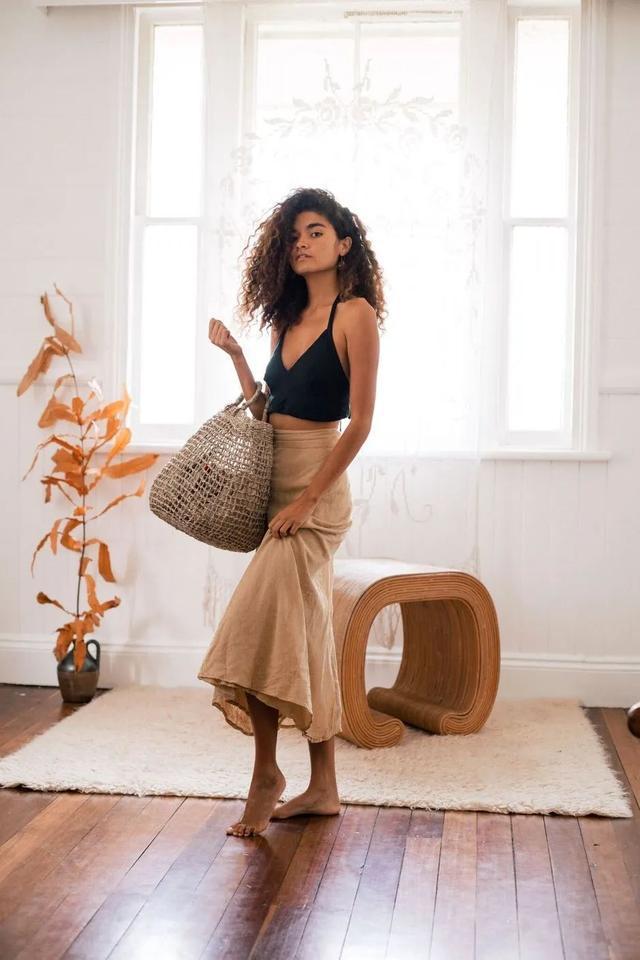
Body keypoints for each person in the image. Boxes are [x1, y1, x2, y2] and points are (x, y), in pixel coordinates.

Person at [198, 186, 385, 838]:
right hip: (276, 487)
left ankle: (265, 776)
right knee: (303, 634)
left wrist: (308, 501)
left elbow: (360, 423)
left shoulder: (354, 315)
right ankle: (324, 786)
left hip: (317, 492)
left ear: (344, 243)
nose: (301, 243)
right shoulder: (285, 321)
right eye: (293, 235)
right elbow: (265, 410)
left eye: (315, 232)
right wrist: (238, 358)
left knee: (253, 626)